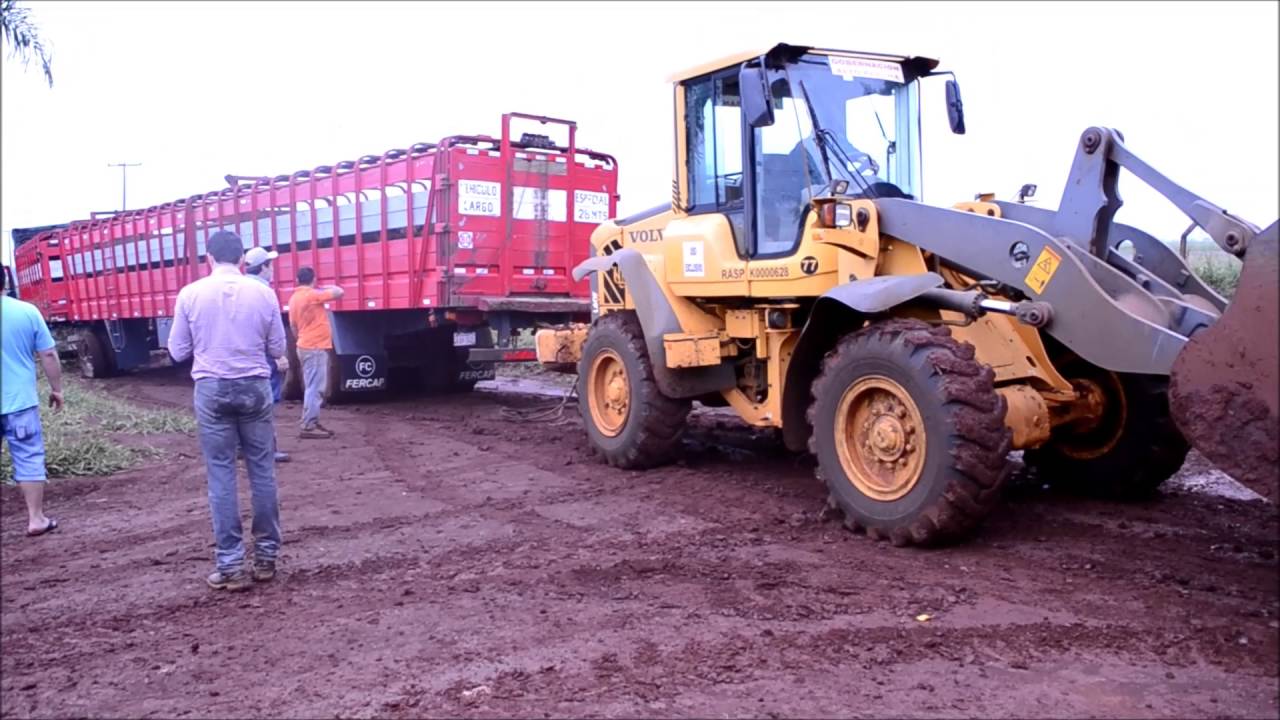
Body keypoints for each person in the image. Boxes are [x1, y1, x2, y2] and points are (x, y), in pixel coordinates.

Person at [167, 230, 286, 591]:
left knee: (221, 475)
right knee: (262, 471)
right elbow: (278, 345)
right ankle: (266, 558)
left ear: (208, 258)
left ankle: (230, 565)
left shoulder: (190, 294)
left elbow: (177, 351)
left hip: (212, 388)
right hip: (254, 385)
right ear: (241, 260)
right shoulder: (264, 293)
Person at [1, 268, 64, 537]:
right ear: (5, 281)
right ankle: (36, 519)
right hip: (19, 402)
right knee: (28, 457)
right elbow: (48, 354)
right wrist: (56, 389)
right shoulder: (27, 311)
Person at [243, 247, 290, 463]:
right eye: (270, 265)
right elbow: (274, 332)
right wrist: (279, 355)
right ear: (263, 267)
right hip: (261, 357)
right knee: (266, 403)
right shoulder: (265, 293)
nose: (272, 269)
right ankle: (267, 449)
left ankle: (241, 447)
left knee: (244, 403)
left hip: (240, 358)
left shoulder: (238, 288)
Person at [287, 267, 343, 440]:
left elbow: (293, 326)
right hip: (315, 347)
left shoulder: (294, 298)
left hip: (304, 345)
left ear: (297, 280)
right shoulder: (312, 295)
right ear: (313, 279)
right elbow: (339, 292)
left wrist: (301, 340)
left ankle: (311, 421)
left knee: (312, 385)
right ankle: (309, 425)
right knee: (315, 388)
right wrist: (325, 286)